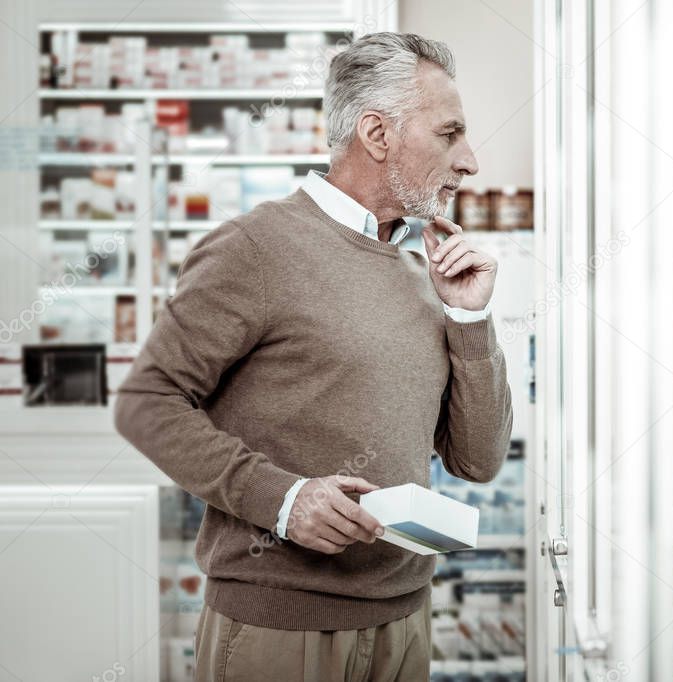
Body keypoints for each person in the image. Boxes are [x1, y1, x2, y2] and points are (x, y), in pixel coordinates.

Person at [114, 32, 513, 681]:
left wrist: (469, 318)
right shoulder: (255, 248)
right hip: (280, 626)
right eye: (449, 134)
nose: (468, 161)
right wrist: (283, 499)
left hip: (406, 620)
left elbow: (478, 457)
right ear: (377, 135)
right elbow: (146, 404)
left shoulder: (423, 270)